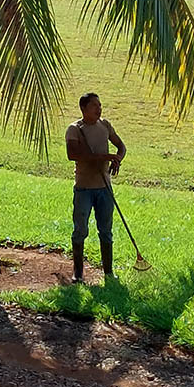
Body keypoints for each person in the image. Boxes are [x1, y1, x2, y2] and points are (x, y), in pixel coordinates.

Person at [65, 92, 126, 283]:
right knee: (80, 229)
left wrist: (117, 159)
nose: (99, 109)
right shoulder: (75, 129)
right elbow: (72, 154)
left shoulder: (105, 125)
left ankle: (108, 272)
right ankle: (78, 273)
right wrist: (104, 158)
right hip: (83, 187)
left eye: (100, 105)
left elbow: (121, 146)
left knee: (106, 230)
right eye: (94, 106)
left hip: (104, 188)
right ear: (83, 108)